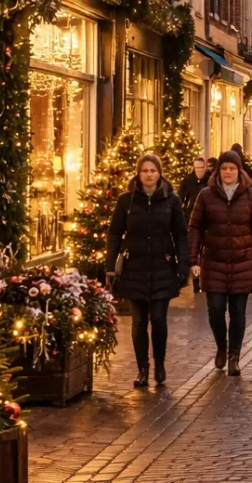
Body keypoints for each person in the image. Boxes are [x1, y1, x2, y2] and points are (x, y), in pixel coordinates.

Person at [106, 154, 190, 388]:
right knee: (139, 321)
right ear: (138, 173)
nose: (149, 174)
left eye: (153, 170)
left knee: (159, 319)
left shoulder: (171, 201)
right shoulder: (127, 201)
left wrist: (183, 264)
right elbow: (114, 233)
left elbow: (181, 234)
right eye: (145, 170)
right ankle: (142, 368)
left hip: (162, 267)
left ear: (159, 173)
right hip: (135, 268)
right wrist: (110, 264)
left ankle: (160, 363)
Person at [188, 151, 252, 377]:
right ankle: (221, 346)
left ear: (239, 171)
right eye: (224, 168)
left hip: (242, 262)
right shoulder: (206, 196)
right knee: (215, 310)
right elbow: (195, 226)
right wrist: (193, 258)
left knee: (238, 313)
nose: (227, 172)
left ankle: (234, 355)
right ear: (218, 171)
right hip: (213, 262)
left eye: (232, 169)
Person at [178, 157, 210, 293]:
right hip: (191, 218)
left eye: (201, 168)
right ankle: (196, 280)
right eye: (197, 168)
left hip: (207, 218)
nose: (199, 171)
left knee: (206, 249)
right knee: (193, 249)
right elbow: (181, 197)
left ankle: (205, 278)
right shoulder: (188, 180)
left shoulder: (210, 180)